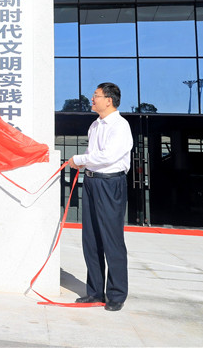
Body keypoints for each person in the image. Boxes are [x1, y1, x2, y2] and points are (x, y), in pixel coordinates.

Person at [68, 82, 133, 312]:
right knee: (91, 239)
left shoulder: (120, 126)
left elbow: (108, 156)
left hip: (110, 184)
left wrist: (79, 160)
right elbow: (92, 154)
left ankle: (116, 294)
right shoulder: (95, 125)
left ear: (109, 100)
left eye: (96, 96)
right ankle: (95, 292)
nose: (92, 99)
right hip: (92, 182)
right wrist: (83, 163)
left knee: (111, 239)